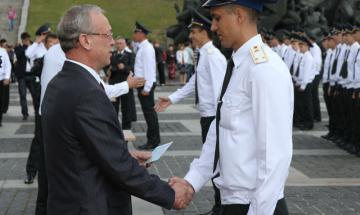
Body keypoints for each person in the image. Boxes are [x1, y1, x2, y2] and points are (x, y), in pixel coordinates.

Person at [41, 5, 193, 214]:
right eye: (108, 35)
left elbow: (81, 150)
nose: (112, 41)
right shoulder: (87, 93)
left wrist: (125, 155)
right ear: (85, 40)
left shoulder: (59, 83)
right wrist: (170, 195)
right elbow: (118, 167)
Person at [169, 1, 293, 214]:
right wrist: (192, 181)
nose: (213, 27)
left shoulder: (264, 68)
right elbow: (219, 133)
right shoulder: (238, 64)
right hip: (233, 203)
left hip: (255, 205)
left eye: (217, 18)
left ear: (239, 15)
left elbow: (275, 156)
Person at [155, 9, 227, 215]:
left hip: (214, 117)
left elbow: (220, 92)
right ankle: (219, 206)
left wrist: (217, 121)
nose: (190, 36)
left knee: (217, 164)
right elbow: (195, 81)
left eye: (194, 32)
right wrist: (172, 98)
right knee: (213, 163)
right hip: (208, 116)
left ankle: (221, 207)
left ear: (204, 32)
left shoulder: (213, 57)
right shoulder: (204, 54)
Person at [132, 21, 161, 150]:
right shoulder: (142, 47)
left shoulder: (147, 48)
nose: (134, 35)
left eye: (135, 32)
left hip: (145, 85)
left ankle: (153, 141)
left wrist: (147, 88)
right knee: (149, 114)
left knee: (150, 114)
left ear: (141, 33)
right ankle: (153, 139)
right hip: (142, 84)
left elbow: (149, 69)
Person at [109, 36, 138, 129]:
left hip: (127, 84)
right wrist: (113, 69)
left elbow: (133, 68)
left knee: (127, 108)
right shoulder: (112, 54)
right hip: (114, 84)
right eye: (117, 43)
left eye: (121, 43)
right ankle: (114, 129)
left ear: (125, 44)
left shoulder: (130, 55)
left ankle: (126, 129)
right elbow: (108, 67)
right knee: (113, 108)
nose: (119, 45)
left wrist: (124, 67)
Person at [14, 32, 36, 121]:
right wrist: (25, 46)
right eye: (25, 40)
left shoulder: (34, 47)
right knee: (22, 95)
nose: (27, 41)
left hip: (32, 74)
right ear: (22, 40)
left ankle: (36, 110)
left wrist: (31, 45)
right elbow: (18, 54)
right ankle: (25, 113)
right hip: (22, 76)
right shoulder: (19, 48)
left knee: (35, 95)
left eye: (28, 39)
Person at [0, 42, 12, 127]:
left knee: (1, 101)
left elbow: (8, 65)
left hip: (1, 79)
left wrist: (7, 77)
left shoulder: (3, 51)